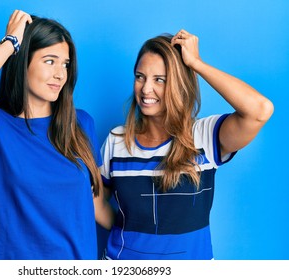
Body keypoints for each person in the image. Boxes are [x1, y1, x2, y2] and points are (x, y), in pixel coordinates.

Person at [0, 10, 112, 260]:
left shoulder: (80, 123)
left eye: (65, 64)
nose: (60, 74)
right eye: (49, 61)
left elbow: (95, 203)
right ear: (23, 61)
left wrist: (151, 235)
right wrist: (11, 42)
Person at [99, 30, 274, 260]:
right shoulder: (117, 140)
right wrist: (129, 230)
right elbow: (95, 199)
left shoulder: (204, 136)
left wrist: (197, 64)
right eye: (140, 76)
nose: (145, 88)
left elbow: (260, 110)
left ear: (178, 84)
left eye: (159, 79)